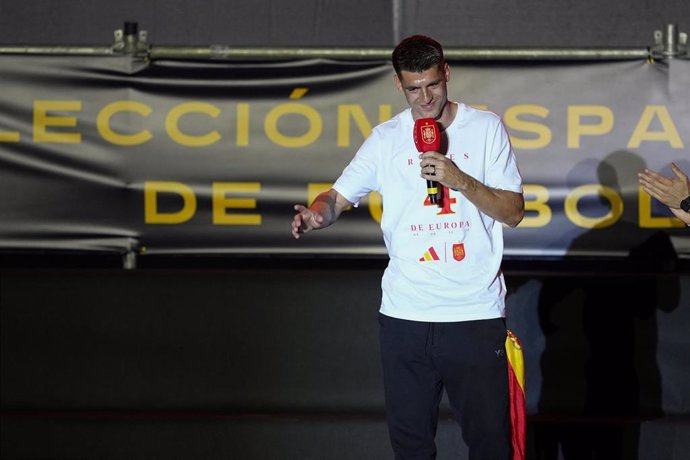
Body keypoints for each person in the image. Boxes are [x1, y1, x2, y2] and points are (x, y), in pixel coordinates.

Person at [291, 34, 524, 459]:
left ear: (446, 73)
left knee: (490, 443)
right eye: (413, 88)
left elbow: (513, 211)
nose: (425, 97)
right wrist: (317, 215)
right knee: (410, 445)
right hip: (404, 318)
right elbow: (337, 197)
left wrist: (460, 180)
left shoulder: (485, 128)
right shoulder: (386, 138)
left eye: (432, 85)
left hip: (473, 314)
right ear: (399, 85)